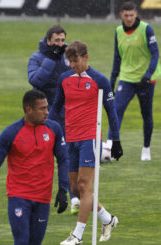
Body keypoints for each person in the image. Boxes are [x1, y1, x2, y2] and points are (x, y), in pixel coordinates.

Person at [48, 41, 123, 244]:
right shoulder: (65, 79)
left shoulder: (100, 80)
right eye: (70, 61)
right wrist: (45, 128)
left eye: (76, 60)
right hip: (70, 138)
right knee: (76, 189)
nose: (72, 65)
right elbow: (56, 107)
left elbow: (111, 111)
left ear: (86, 57)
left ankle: (77, 236)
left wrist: (115, 139)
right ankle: (107, 219)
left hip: (90, 138)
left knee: (84, 185)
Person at [0, 89, 69, 245]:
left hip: (43, 198)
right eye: (42, 108)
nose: (47, 112)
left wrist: (63, 190)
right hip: (19, 197)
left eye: (47, 107)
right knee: (22, 241)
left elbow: (64, 160)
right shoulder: (10, 133)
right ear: (28, 109)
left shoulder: (54, 129)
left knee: (35, 243)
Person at [28, 24, 80, 215]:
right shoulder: (37, 58)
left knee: (66, 156)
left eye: (62, 40)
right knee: (40, 156)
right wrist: (51, 58)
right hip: (42, 117)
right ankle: (35, 196)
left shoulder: (68, 58)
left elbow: (82, 75)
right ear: (48, 40)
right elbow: (36, 81)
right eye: (56, 40)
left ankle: (73, 197)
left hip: (65, 115)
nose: (60, 44)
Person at [107, 1, 161, 161]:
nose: (129, 18)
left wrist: (147, 75)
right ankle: (110, 148)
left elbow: (155, 54)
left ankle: (146, 148)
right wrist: (112, 80)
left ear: (136, 14)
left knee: (146, 114)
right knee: (116, 110)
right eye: (126, 15)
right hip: (126, 78)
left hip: (146, 79)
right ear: (121, 16)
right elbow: (117, 57)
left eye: (131, 15)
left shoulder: (146, 29)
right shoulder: (118, 31)